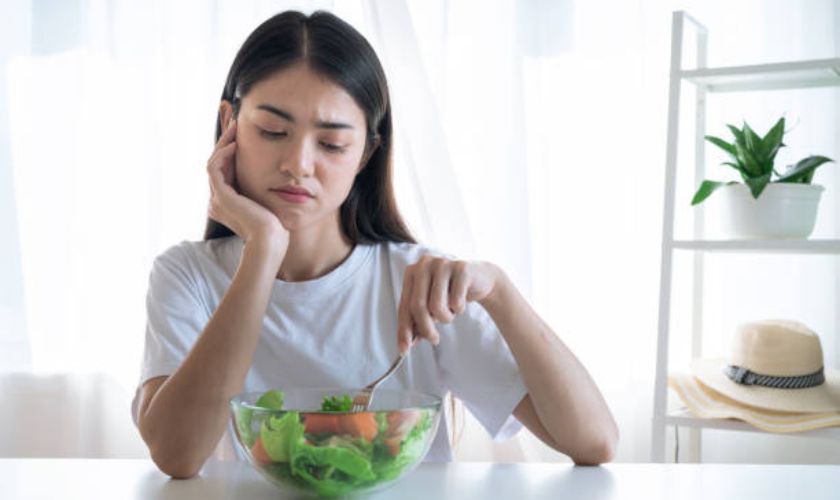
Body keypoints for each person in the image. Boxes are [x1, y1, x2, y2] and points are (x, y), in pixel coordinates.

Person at [132, 10, 618, 479]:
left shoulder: (422, 281)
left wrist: (499, 290)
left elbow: (593, 442)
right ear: (229, 124)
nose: (299, 163)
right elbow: (178, 454)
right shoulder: (187, 275)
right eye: (273, 131)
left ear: (365, 153)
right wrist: (262, 250)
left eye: (331, 144)